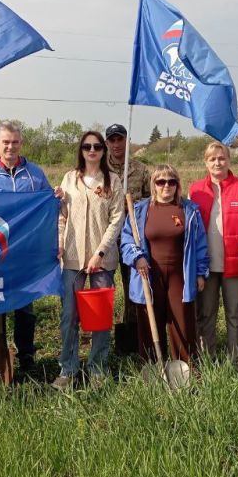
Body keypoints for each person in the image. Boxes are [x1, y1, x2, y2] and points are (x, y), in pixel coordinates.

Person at [0, 121, 63, 372]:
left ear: (21, 143)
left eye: (15, 142)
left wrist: (55, 198)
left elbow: (47, 208)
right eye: (5, 142)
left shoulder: (34, 174)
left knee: (25, 304)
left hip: (24, 251)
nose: (10, 146)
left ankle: (26, 355)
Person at [53, 131, 125, 390]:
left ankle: (98, 368)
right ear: (81, 150)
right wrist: (60, 242)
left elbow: (117, 220)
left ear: (104, 150)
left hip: (102, 262)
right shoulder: (69, 179)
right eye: (87, 146)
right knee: (69, 315)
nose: (92, 151)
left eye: (97, 146)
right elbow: (62, 215)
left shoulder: (113, 181)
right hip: (72, 260)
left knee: (100, 317)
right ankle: (68, 368)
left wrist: (100, 252)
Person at [121, 164, 208, 365]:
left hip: (181, 277)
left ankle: (186, 369)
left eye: (171, 181)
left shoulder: (189, 210)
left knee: (183, 325)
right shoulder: (140, 210)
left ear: (178, 185)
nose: (166, 186)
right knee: (150, 325)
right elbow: (126, 241)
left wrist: (200, 272)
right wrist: (137, 257)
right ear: (154, 185)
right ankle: (153, 368)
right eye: (161, 182)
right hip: (149, 276)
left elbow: (200, 244)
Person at [188, 142, 238, 361]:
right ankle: (207, 360)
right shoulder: (195, 190)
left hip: (236, 264)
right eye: (212, 159)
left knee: (236, 315)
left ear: (229, 160)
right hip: (205, 266)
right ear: (205, 162)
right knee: (205, 314)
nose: (217, 162)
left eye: (222, 158)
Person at [104, 123, 151, 351]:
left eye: (119, 139)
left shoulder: (140, 170)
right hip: (104, 238)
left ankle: (133, 333)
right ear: (107, 143)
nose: (116, 145)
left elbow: (153, 201)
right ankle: (102, 336)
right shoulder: (99, 169)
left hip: (130, 238)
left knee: (132, 286)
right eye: (111, 140)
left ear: (126, 141)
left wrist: (133, 204)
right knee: (104, 287)